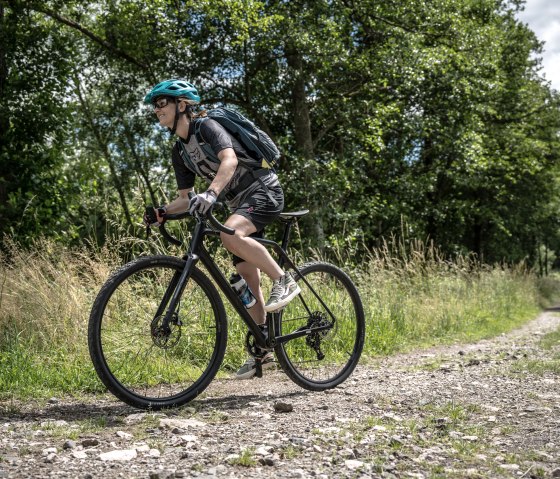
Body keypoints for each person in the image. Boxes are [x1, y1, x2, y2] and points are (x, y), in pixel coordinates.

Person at [143, 79, 300, 379]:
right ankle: (264, 346)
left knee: (230, 235)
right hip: (238, 202)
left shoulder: (207, 127)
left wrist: (212, 194)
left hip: (263, 190)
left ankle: (284, 279)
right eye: (155, 105)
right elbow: (184, 200)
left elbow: (228, 161)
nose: (157, 110)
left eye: (162, 103)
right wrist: (162, 212)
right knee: (244, 277)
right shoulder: (180, 152)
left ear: (183, 106)